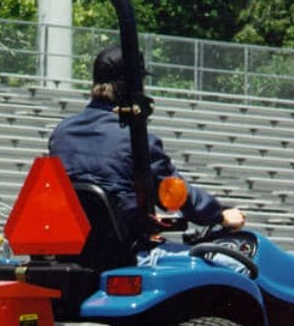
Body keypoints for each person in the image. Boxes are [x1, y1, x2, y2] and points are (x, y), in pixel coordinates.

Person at [48, 43, 246, 246]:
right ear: (131, 86)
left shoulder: (61, 134)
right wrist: (219, 214)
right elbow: (174, 193)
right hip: (125, 252)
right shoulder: (136, 139)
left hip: (70, 250)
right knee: (229, 264)